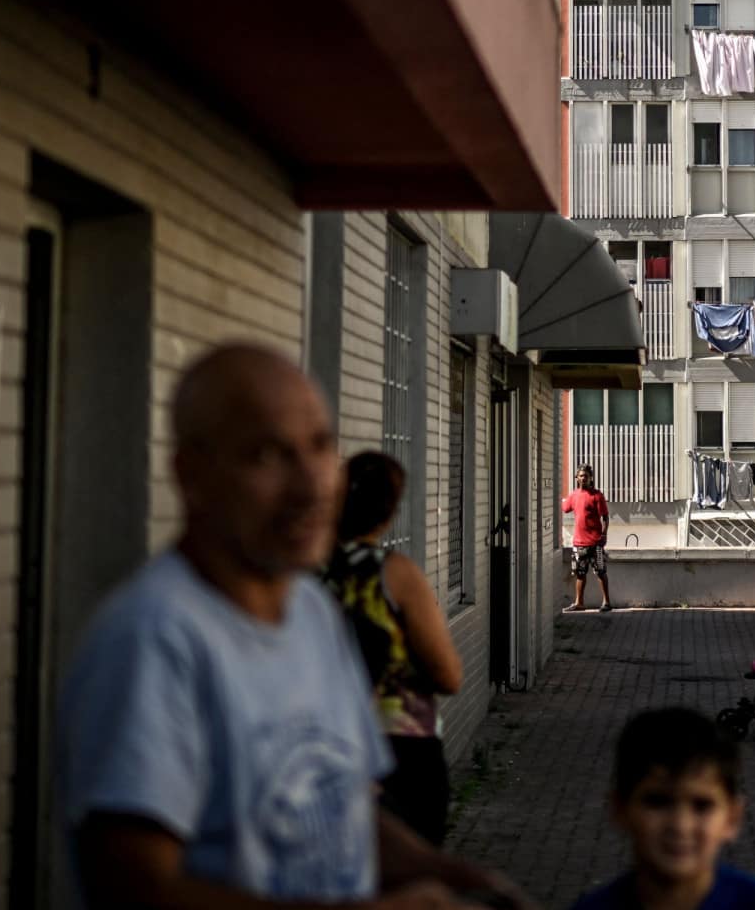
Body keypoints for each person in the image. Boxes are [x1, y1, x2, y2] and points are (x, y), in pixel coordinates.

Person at [54, 343, 527, 910]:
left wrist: (448, 874)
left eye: (322, 447)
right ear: (191, 475)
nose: (311, 486)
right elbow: (133, 888)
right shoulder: (152, 640)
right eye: (267, 455)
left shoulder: (312, 612)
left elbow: (345, 813)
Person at [324, 451, 466, 847]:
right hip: (399, 750)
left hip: (320, 746)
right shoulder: (395, 574)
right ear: (389, 512)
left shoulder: (304, 572)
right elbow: (448, 675)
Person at [570, 708, 755, 910]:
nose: (680, 825)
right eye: (657, 802)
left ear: (732, 818)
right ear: (620, 809)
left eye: (702, 805)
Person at [562, 465, 612, 612]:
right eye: (581, 476)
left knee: (601, 572)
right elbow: (565, 508)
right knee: (580, 574)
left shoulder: (597, 495)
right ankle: (579, 603)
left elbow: (605, 517)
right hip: (579, 543)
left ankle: (607, 603)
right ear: (577, 478)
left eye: (586, 476)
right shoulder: (574, 495)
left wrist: (604, 534)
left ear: (591, 478)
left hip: (595, 542)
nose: (583, 478)